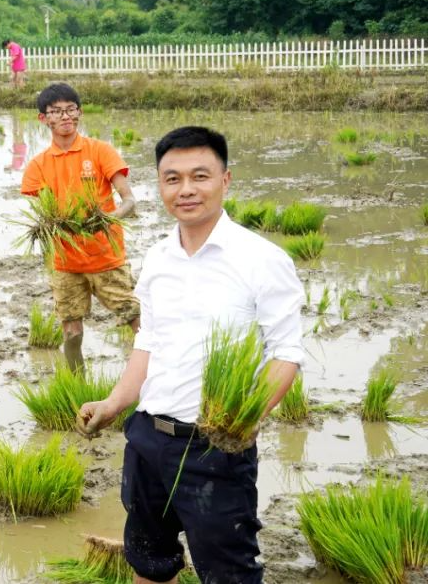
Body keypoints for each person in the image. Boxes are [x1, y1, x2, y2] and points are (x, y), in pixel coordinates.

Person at [77, 126, 305, 584]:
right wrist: (115, 402)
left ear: (226, 180)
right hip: (147, 438)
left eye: (199, 176)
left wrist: (239, 422)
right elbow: (149, 342)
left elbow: (286, 354)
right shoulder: (159, 257)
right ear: (160, 185)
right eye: (172, 178)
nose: (186, 190)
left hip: (216, 446)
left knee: (227, 573)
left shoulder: (262, 259)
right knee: (148, 559)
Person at [21, 83, 138, 372]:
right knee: (72, 331)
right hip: (65, 262)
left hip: (106, 257)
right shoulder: (38, 166)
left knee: (136, 319)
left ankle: (153, 377)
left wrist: (110, 217)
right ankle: (77, 387)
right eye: (56, 112)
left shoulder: (100, 151)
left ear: (80, 113)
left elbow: (129, 200)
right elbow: (47, 213)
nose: (65, 117)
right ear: (43, 118)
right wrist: (50, 226)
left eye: (70, 110)